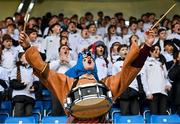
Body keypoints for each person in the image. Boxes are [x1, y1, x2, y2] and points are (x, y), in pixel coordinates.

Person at [18, 29, 155, 123]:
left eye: (91, 58)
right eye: (84, 59)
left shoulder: (105, 84)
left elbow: (130, 71)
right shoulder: (66, 82)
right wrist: (27, 47)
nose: (88, 58)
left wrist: (147, 45)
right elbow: (42, 70)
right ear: (78, 65)